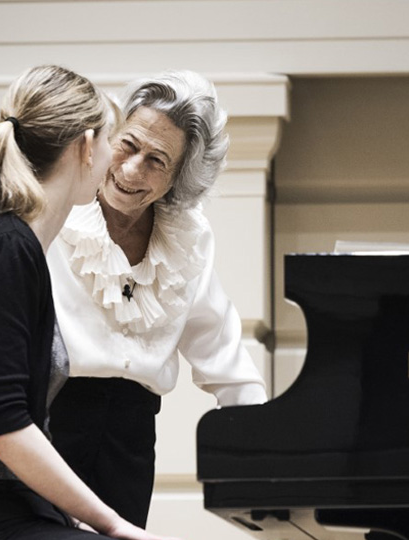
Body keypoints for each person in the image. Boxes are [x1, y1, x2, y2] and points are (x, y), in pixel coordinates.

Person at [0, 64, 178, 540]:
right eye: (111, 142)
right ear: (84, 146)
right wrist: (112, 522)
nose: (113, 163)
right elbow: (3, 425)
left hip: (14, 508)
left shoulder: (13, 244)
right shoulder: (7, 246)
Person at [47, 70, 267, 528]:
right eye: (128, 145)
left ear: (179, 180)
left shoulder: (187, 239)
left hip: (130, 441)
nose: (131, 170)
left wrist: (267, 452)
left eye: (157, 161)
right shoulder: (58, 208)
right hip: (51, 423)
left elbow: (223, 353)